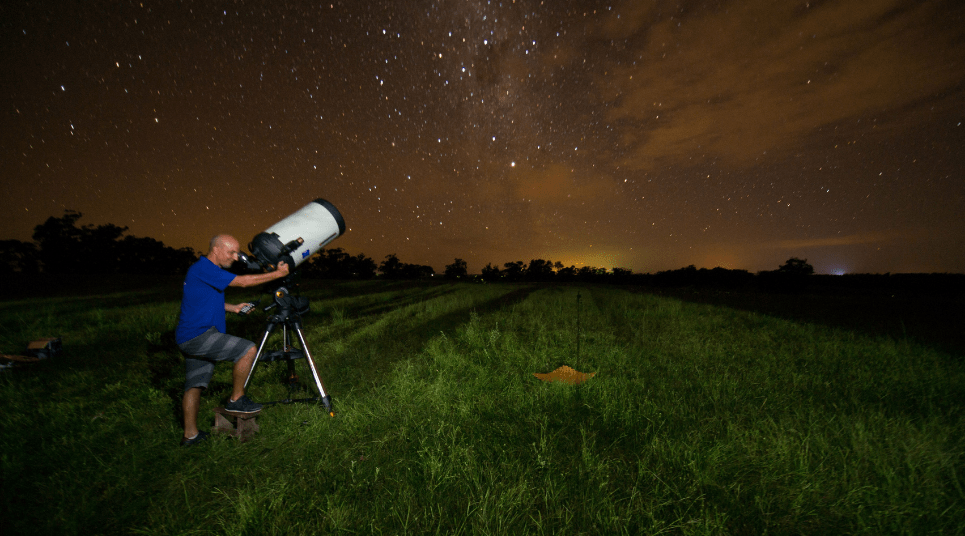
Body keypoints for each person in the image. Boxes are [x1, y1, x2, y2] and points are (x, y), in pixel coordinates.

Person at [175, 234, 290, 447]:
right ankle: (236, 400)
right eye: (231, 252)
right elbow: (243, 282)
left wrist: (233, 307)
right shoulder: (205, 268)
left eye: (237, 252)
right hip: (199, 335)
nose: (236, 257)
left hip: (189, 336)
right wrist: (278, 273)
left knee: (194, 385)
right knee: (247, 350)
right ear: (216, 250)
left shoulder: (207, 272)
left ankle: (190, 436)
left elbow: (204, 300)